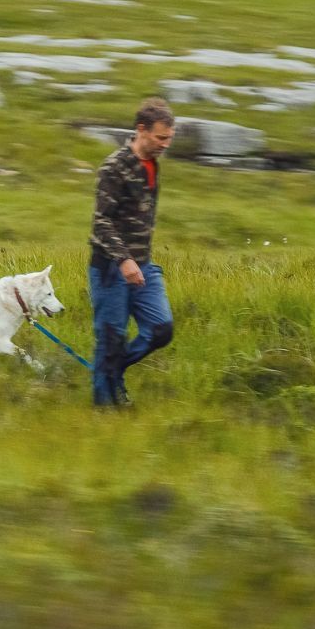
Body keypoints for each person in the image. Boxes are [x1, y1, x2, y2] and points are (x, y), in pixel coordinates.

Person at [88, 97, 176, 407]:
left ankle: (113, 371)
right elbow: (100, 223)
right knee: (111, 340)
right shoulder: (114, 167)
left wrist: (137, 262)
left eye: (169, 138)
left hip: (144, 267)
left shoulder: (152, 164)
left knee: (161, 329)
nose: (165, 144)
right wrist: (124, 260)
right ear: (141, 130)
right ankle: (104, 408)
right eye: (160, 137)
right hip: (111, 269)